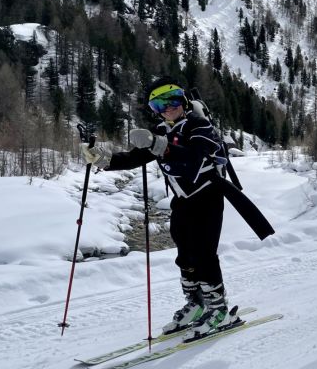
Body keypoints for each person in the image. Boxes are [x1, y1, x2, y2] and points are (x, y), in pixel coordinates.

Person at [81, 77, 239, 340]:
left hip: (208, 200)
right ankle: (198, 303)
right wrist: (102, 160)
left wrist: (159, 146)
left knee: (204, 255)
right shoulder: (163, 131)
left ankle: (219, 309)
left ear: (184, 101)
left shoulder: (200, 127)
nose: (167, 109)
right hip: (183, 202)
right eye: (159, 105)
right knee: (185, 255)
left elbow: (194, 159)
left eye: (173, 101)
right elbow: (135, 158)